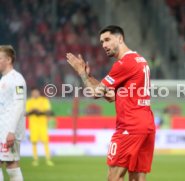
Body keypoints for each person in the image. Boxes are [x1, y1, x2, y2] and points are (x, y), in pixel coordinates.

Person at [66, 25, 155, 181]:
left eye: (107, 40)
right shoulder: (140, 60)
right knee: (137, 178)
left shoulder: (123, 64)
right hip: (146, 124)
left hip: (130, 126)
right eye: (101, 42)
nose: (104, 45)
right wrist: (90, 77)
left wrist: (81, 73)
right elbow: (111, 96)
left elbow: (95, 94)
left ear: (120, 38)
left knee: (114, 177)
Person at [0, 45, 26, 181]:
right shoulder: (3, 79)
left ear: (8, 59)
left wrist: (11, 131)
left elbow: (19, 105)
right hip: (2, 129)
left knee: (11, 164)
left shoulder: (17, 79)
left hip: (9, 131)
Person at [26, 87, 54, 166]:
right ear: (32, 94)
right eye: (34, 92)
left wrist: (39, 111)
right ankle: (35, 160)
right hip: (33, 125)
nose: (35, 94)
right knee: (34, 142)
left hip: (42, 125)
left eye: (36, 92)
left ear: (39, 92)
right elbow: (27, 113)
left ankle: (48, 159)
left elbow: (48, 111)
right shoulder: (29, 102)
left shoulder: (44, 100)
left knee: (45, 142)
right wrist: (33, 111)